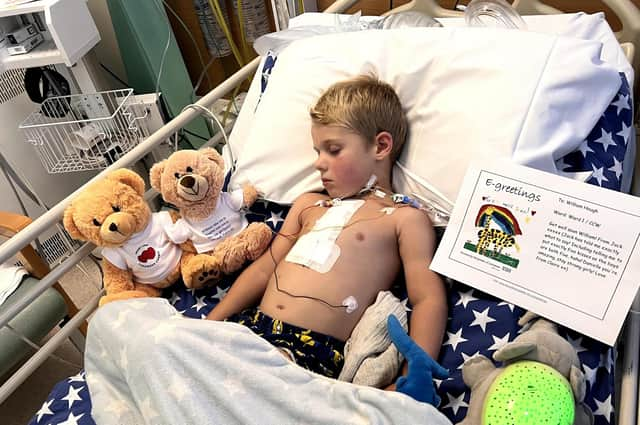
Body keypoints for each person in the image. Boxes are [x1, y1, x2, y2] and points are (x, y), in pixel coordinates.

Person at [207, 75, 447, 386]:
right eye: (317, 151)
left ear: (381, 146)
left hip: (306, 351)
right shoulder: (308, 205)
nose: (319, 163)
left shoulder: (403, 219)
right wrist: (208, 326)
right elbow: (264, 269)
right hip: (249, 331)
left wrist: (415, 374)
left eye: (333, 150)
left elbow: (428, 297)